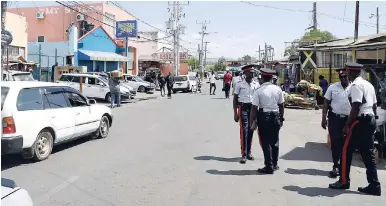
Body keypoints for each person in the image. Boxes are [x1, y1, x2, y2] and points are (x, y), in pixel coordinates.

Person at [328, 62, 381, 196]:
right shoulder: (369, 85)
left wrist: (347, 125)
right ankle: (374, 185)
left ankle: (344, 181)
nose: (347, 75)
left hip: (359, 121)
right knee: (368, 154)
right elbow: (374, 105)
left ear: (351, 72)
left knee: (346, 150)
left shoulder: (356, 85)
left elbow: (356, 106)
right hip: (370, 120)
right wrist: (374, 121)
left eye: (347, 72)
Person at [249, 68, 284, 174]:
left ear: (262, 78)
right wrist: (281, 118)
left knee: (266, 142)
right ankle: (275, 164)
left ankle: (269, 166)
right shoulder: (278, 89)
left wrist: (252, 121)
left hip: (264, 116)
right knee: (275, 141)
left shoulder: (259, 91)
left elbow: (254, 108)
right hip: (275, 115)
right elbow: (281, 105)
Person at [321, 68, 351, 178]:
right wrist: (324, 118)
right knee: (335, 143)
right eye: (341, 77)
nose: (343, 79)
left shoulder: (354, 87)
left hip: (349, 120)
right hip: (335, 119)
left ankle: (344, 167)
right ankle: (336, 166)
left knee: (347, 144)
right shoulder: (333, 87)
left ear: (349, 76)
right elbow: (326, 103)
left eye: (345, 77)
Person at [233, 65, 260, 164]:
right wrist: (235, 114)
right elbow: (235, 99)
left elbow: (258, 98)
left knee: (251, 129)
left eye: (253, 72)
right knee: (244, 130)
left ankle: (249, 152)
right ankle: (243, 154)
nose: (252, 74)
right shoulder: (239, 84)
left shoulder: (256, 84)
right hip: (243, 108)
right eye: (250, 72)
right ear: (245, 73)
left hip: (253, 108)